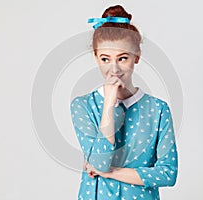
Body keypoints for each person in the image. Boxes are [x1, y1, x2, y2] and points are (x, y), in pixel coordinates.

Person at [70, 5, 178, 200]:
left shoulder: (158, 110)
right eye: (105, 58)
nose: (114, 68)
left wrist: (110, 173)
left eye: (122, 58)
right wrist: (109, 106)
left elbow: (168, 173)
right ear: (96, 58)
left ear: (136, 57)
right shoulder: (83, 106)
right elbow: (100, 162)